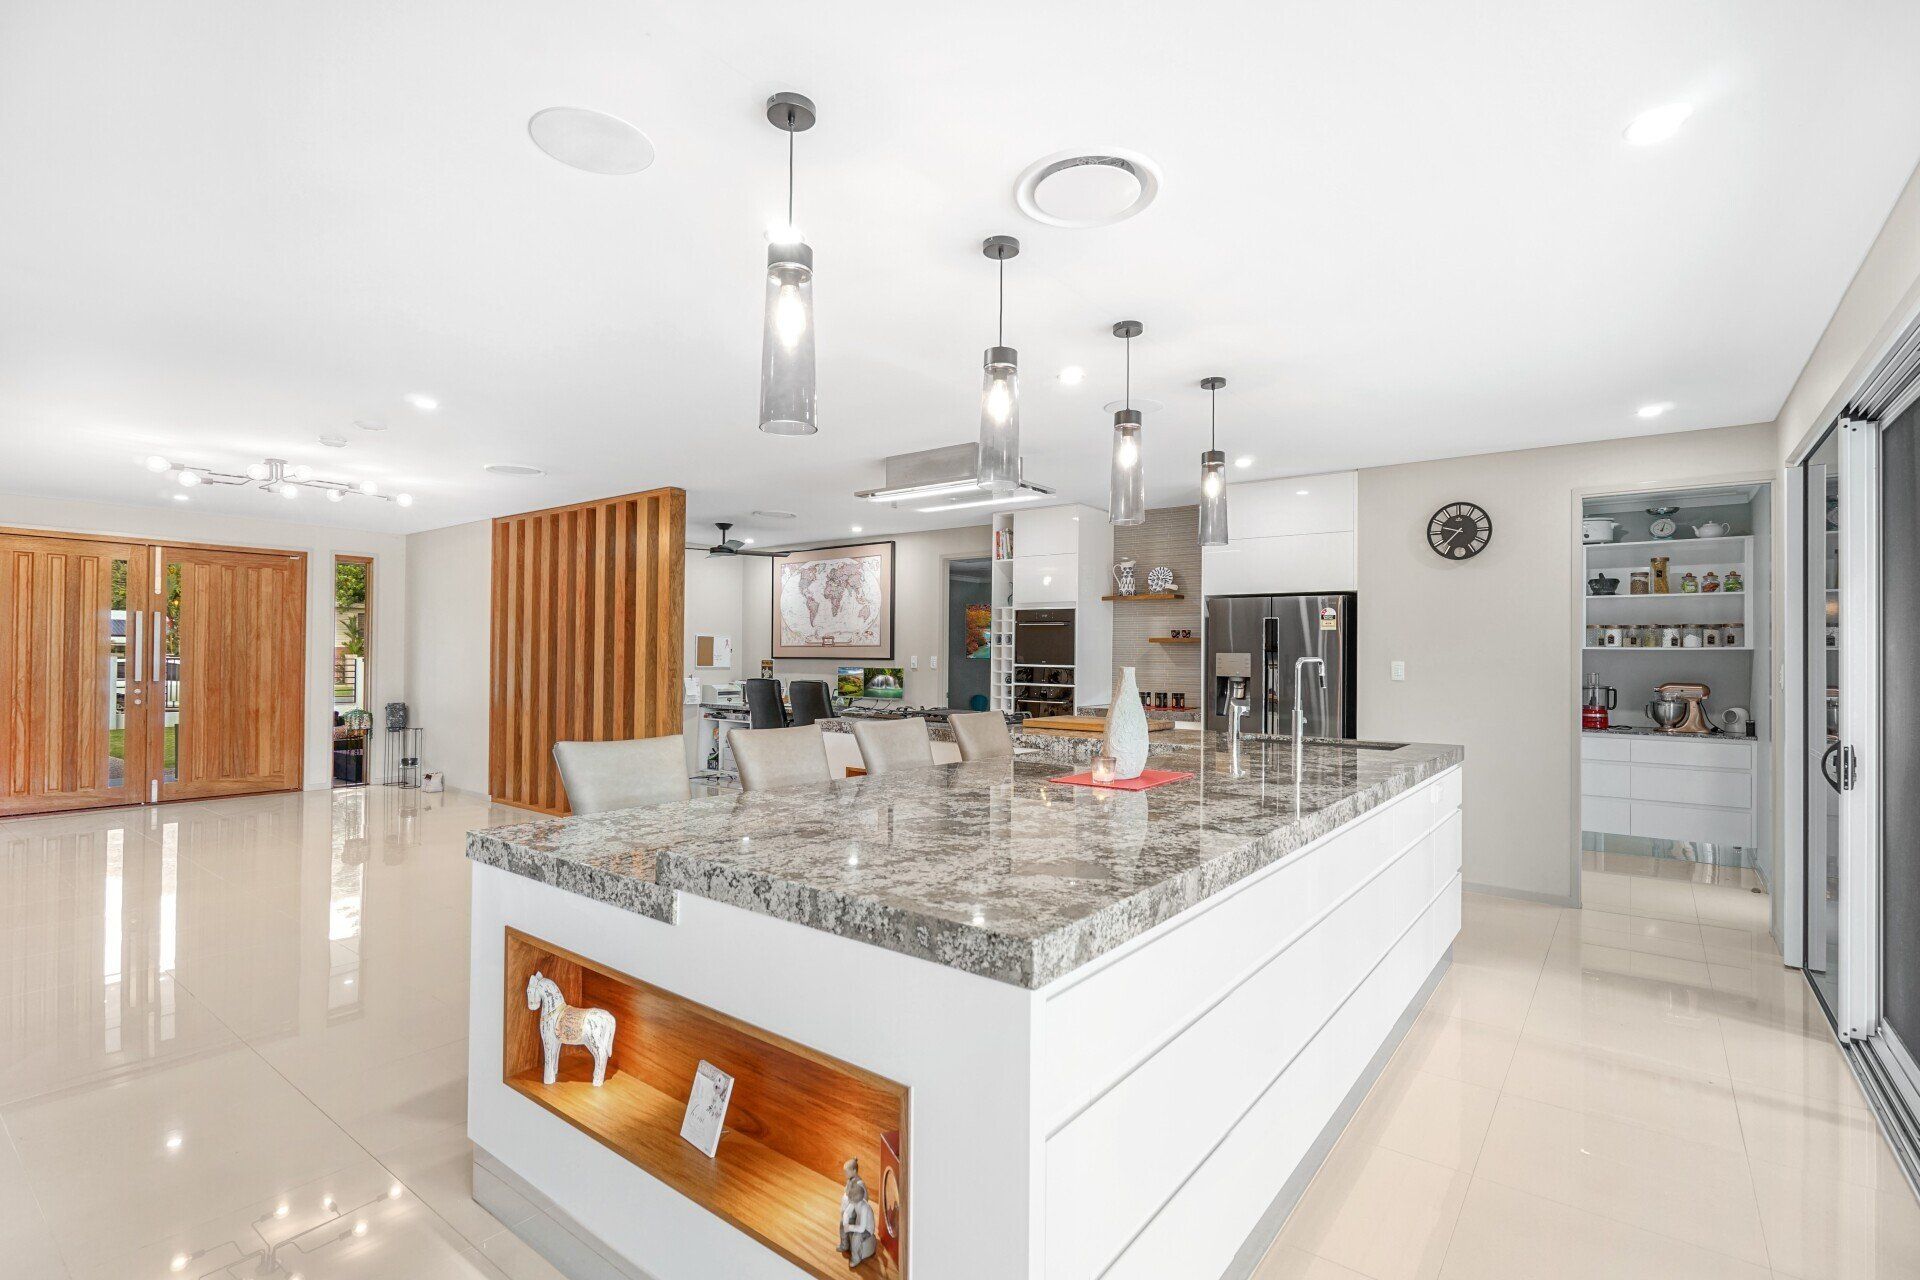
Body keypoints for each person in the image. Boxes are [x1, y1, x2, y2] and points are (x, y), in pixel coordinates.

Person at [837, 1158, 876, 1267]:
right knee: (842, 1223)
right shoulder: (854, 1202)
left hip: (865, 1228)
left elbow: (862, 1228)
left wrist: (850, 1228)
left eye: (851, 1200)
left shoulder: (864, 1208)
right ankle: (844, 1244)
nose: (850, 1201)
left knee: (856, 1237)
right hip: (858, 1221)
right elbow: (847, 1212)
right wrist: (845, 1222)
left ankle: (856, 1258)